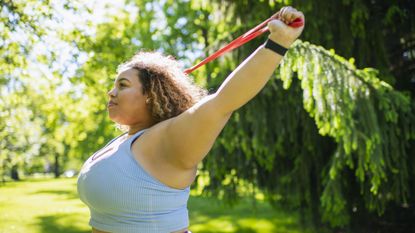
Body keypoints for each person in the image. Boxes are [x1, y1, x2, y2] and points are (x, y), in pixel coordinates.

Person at [77, 6, 305, 233]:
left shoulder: (168, 139)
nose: (111, 92)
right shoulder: (122, 142)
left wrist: (278, 42)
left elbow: (223, 102)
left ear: (150, 95)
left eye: (122, 85)